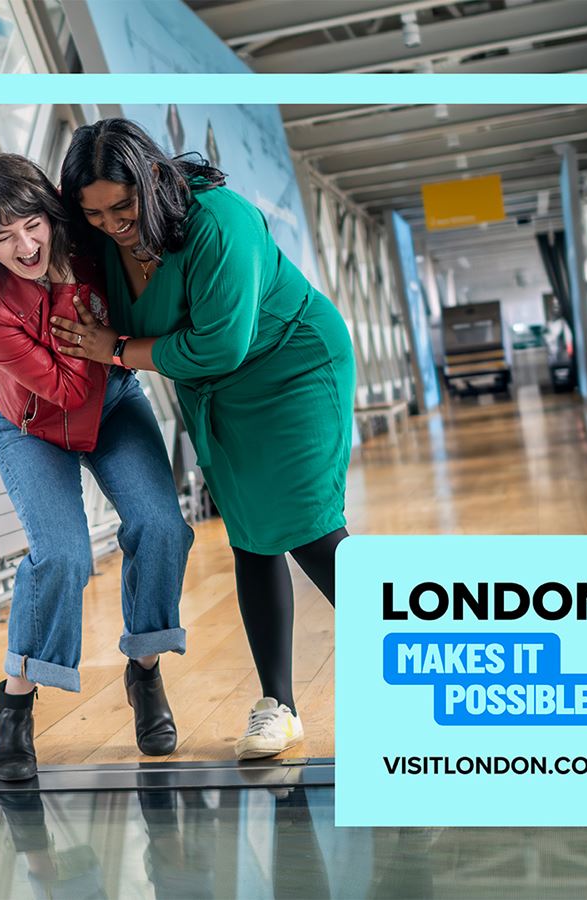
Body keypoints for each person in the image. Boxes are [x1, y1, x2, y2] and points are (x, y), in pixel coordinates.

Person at [52, 119, 354, 760]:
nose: (112, 224)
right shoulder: (99, 238)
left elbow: (222, 345)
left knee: (310, 527)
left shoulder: (220, 222)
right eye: (95, 213)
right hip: (216, 392)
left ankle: (426, 661)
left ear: (152, 178)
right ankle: (279, 708)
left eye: (122, 207)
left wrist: (117, 350)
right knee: (250, 536)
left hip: (292, 368)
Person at [0, 153, 194, 781]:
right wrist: (76, 304)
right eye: (3, 237)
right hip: (33, 427)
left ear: (49, 214)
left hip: (114, 403)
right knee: (61, 556)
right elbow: (65, 388)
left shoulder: (86, 241)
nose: (25, 246)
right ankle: (16, 702)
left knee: (162, 527)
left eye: (32, 225)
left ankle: (145, 671)